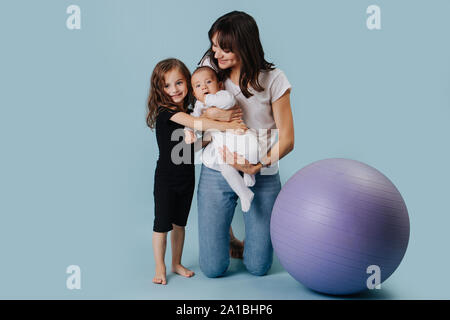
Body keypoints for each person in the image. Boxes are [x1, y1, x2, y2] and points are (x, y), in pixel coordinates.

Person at [196, 11, 295, 277]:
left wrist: (258, 165)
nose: (216, 54)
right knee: (213, 269)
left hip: (260, 172)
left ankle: (246, 236)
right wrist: (216, 117)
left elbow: (287, 139)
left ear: (245, 45)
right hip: (217, 169)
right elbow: (193, 115)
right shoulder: (211, 71)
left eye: (224, 48)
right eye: (214, 46)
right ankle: (226, 235)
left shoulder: (274, 79)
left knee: (259, 266)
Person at [146, 58, 246, 285]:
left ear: (188, 85)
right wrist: (230, 125)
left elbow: (188, 149)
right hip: (166, 180)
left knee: (180, 223)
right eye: (167, 85)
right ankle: (160, 267)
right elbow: (199, 124)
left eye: (179, 83)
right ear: (159, 89)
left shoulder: (189, 112)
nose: (174, 90)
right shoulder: (167, 113)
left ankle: (176, 263)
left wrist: (209, 139)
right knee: (162, 225)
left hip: (186, 178)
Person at [184, 66, 272, 212]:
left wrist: (207, 99)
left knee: (253, 150)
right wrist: (189, 131)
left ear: (219, 85)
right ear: (194, 92)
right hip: (224, 146)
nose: (204, 87)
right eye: (198, 86)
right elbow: (193, 119)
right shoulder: (199, 105)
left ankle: (249, 175)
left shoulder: (223, 95)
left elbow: (228, 102)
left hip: (240, 136)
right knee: (226, 169)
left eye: (208, 82)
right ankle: (244, 194)